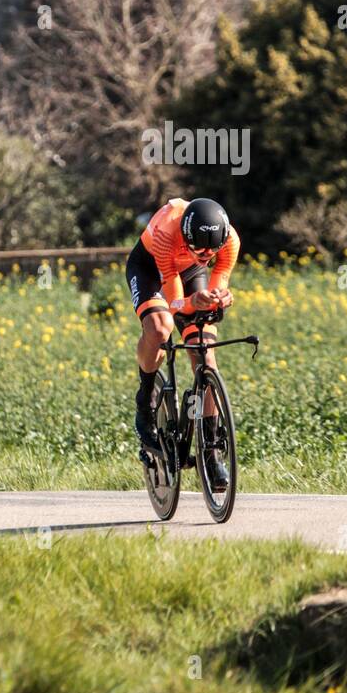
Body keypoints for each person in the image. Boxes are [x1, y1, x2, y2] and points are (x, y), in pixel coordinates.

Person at [125, 196, 240, 490]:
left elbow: (218, 281)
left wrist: (218, 299)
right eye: (199, 249)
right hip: (152, 269)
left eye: (210, 252)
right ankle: (146, 399)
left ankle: (212, 453)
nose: (206, 255)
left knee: (206, 355)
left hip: (189, 273)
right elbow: (175, 302)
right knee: (161, 327)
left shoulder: (229, 241)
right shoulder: (166, 231)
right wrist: (191, 302)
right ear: (187, 236)